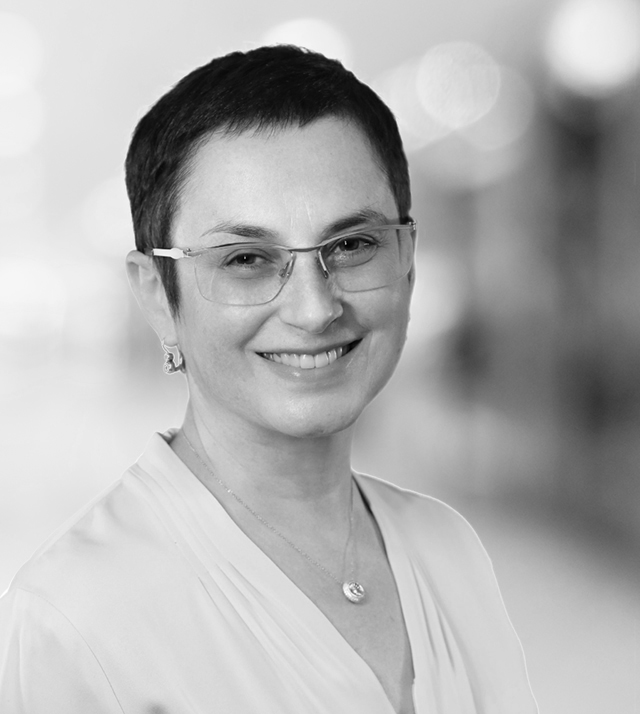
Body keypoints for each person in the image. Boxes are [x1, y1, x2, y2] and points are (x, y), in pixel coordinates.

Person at [0, 45, 537, 713]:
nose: (314, 309)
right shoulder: (75, 618)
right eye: (247, 259)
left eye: (352, 245)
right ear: (158, 295)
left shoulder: (448, 548)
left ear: (406, 261)